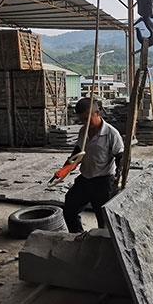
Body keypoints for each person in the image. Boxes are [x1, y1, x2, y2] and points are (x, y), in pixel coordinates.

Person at [62, 97, 125, 233]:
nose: (84, 123)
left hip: (103, 182)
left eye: (87, 119)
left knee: (104, 221)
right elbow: (79, 150)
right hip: (85, 179)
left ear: (97, 113)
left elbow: (120, 157)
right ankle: (78, 237)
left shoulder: (111, 134)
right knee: (69, 208)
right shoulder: (83, 131)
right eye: (81, 120)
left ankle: (102, 242)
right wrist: (67, 166)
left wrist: (119, 180)